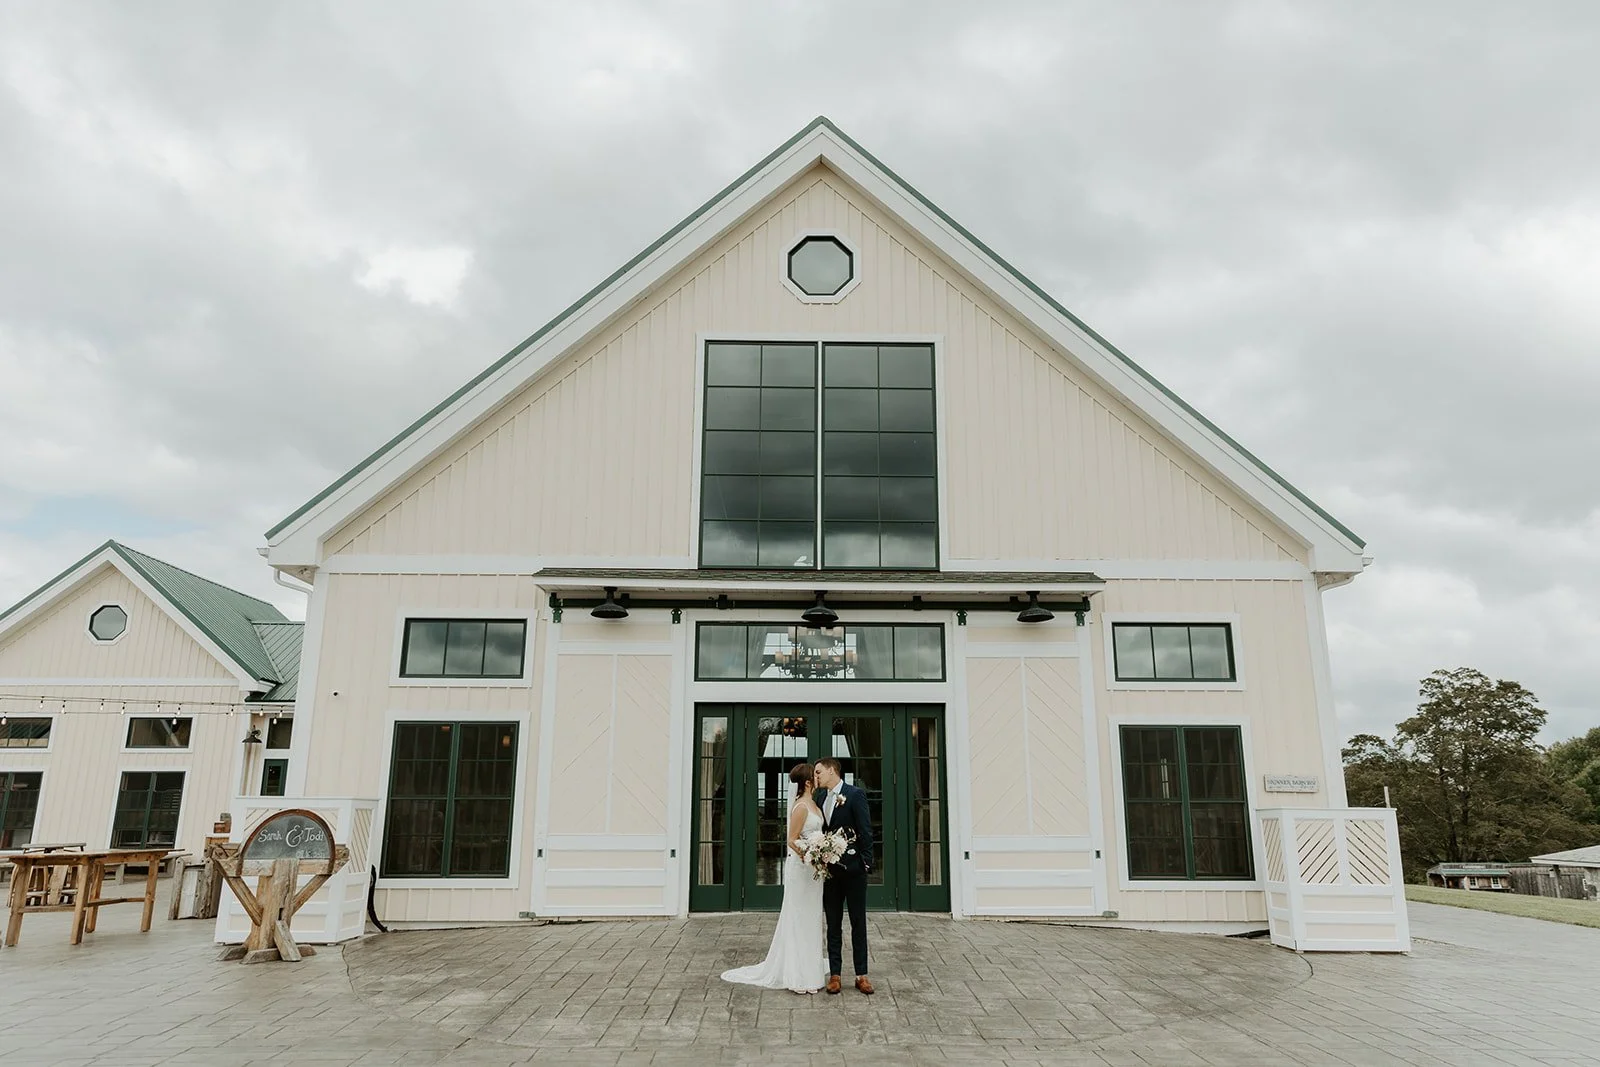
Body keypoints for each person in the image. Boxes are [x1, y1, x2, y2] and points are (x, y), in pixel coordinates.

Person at [720, 762, 829, 993]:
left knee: (812, 918)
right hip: (801, 870)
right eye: (815, 775)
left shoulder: (815, 804)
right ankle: (797, 976)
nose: (819, 777)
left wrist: (822, 854)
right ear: (808, 782)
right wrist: (811, 854)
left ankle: (810, 970)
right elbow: (792, 839)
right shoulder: (801, 806)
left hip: (813, 874)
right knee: (798, 917)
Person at [813, 756, 874, 994]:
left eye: (819, 772)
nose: (816, 776)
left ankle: (861, 975)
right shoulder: (820, 798)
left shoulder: (855, 794)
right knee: (833, 923)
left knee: (858, 923)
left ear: (831, 771)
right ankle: (835, 975)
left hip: (855, 872)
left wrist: (865, 864)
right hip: (830, 872)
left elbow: (865, 831)